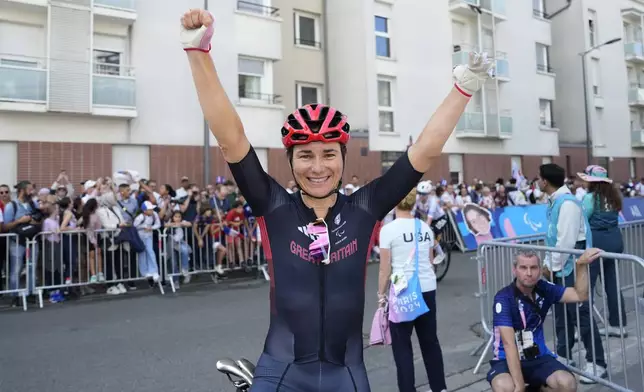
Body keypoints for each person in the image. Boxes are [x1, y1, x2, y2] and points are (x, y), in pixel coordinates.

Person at [180, 9, 493, 391]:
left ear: (343, 160)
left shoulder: (365, 208)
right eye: (305, 155)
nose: (317, 167)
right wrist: (199, 53)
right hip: (281, 372)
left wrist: (463, 90)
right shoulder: (273, 205)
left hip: (346, 374)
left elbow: (423, 153)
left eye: (328, 154)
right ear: (291, 161)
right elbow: (230, 136)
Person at [488, 248, 601, 392]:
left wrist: (580, 265)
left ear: (540, 270)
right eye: (523, 267)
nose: (529, 273)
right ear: (514, 270)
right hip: (506, 359)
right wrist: (520, 385)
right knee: (505, 387)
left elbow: (579, 295)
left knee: (567, 383)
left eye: (533, 268)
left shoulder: (544, 288)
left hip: (537, 356)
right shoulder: (503, 298)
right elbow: (509, 345)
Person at [538, 164, 607, 383]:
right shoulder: (556, 201)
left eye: (538, 179)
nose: (536, 182)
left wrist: (551, 266)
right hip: (561, 266)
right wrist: (548, 264)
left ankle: (597, 362)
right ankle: (564, 355)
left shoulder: (567, 204)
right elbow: (552, 238)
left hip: (573, 266)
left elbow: (565, 241)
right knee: (561, 314)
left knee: (580, 315)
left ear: (545, 181)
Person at [377, 189, 446, 392]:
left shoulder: (388, 230)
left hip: (403, 289)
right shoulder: (424, 227)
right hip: (427, 287)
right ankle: (439, 387)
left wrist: (381, 295)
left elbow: (384, 268)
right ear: (414, 202)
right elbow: (431, 260)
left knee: (402, 346)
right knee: (430, 341)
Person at [577, 165, 627, 338]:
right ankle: (618, 324)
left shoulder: (589, 198)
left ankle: (583, 327)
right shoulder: (614, 197)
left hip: (597, 243)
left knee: (585, 285)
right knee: (612, 284)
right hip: (615, 241)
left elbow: (581, 220)